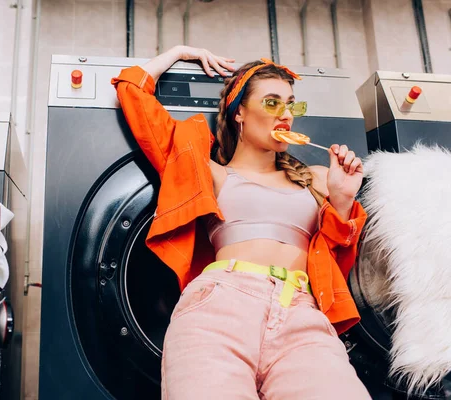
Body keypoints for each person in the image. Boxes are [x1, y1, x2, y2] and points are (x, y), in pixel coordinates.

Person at [111, 45, 370, 399]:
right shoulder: (212, 173)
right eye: (271, 102)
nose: (285, 114)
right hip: (220, 306)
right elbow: (134, 94)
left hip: (301, 314)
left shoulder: (319, 178)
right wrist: (178, 52)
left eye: (291, 104)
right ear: (239, 114)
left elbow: (341, 262)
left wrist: (342, 201)